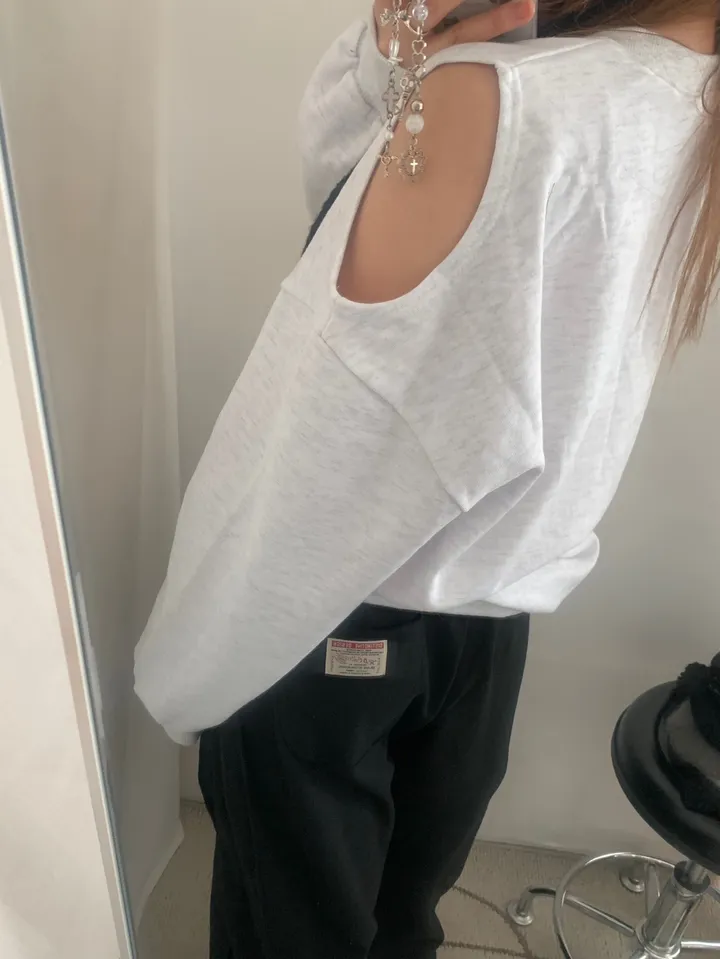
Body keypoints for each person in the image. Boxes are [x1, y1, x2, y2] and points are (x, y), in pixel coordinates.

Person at [134, 1, 720, 956]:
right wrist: (399, 59)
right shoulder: (685, 100)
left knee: (292, 929)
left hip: (330, 617)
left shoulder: (511, 96)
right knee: (402, 916)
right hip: (489, 628)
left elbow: (334, 438)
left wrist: (200, 665)